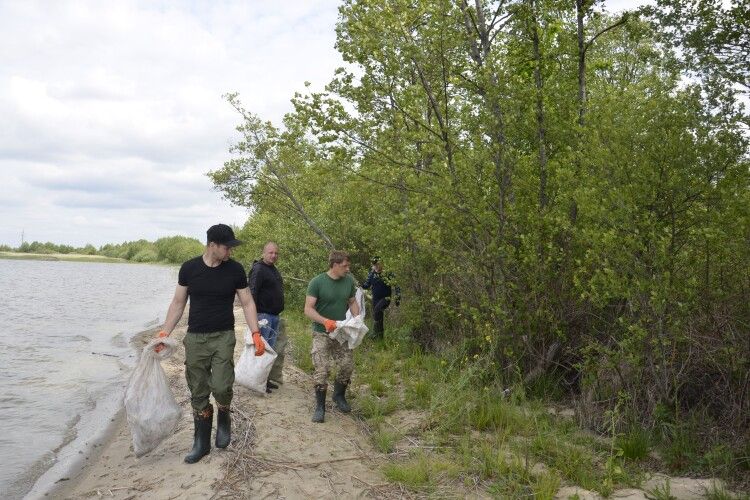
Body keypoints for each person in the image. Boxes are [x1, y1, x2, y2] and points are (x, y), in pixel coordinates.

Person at [154, 223, 264, 464]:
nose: (230, 252)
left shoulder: (234, 270)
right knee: (198, 389)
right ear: (212, 245)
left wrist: (255, 333)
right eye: (227, 247)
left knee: (223, 385)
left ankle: (224, 416)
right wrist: (164, 333)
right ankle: (201, 442)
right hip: (195, 338)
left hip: (223, 336)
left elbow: (247, 302)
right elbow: (177, 303)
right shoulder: (189, 268)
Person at [304, 250, 360, 423]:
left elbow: (352, 302)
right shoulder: (317, 282)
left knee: (347, 364)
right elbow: (308, 309)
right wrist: (325, 321)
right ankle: (320, 406)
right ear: (334, 265)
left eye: (348, 265)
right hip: (321, 331)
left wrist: (357, 319)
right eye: (345, 266)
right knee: (322, 368)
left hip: (341, 331)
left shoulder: (348, 282)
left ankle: (339, 396)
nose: (348, 269)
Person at [249, 241, 284, 393]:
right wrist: (254, 317)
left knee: (269, 350)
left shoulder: (273, 269)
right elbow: (252, 292)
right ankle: (257, 381)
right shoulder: (258, 269)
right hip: (263, 316)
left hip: (274, 316)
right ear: (263, 253)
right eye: (270, 252)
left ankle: (265, 380)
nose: (273, 255)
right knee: (261, 350)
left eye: (276, 253)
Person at [361, 256, 400, 339]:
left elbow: (396, 285)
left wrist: (398, 297)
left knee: (377, 310)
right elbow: (367, 285)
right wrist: (359, 285)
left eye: (378, 264)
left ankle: (375, 334)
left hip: (385, 298)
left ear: (382, 263)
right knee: (378, 315)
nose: (376, 266)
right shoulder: (371, 274)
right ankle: (379, 337)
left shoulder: (388, 273)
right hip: (375, 299)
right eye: (375, 265)